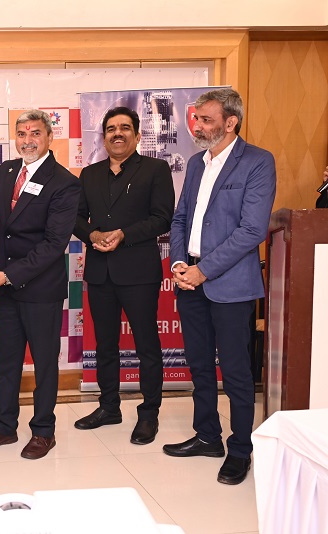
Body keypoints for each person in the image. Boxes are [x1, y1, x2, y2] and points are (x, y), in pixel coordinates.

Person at [0, 109, 81, 460]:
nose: (27, 140)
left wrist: (8, 275)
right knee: (6, 361)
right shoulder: (8, 170)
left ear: (49, 137)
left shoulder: (64, 182)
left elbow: (53, 245)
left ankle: (43, 432)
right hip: (6, 287)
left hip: (39, 288)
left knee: (44, 364)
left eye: (35, 133)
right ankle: (4, 427)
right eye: (21, 134)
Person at [164, 88, 276, 485]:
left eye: (206, 120)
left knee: (236, 372)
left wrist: (204, 271)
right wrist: (180, 263)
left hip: (229, 285)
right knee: (199, 366)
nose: (197, 126)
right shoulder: (197, 163)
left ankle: (240, 450)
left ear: (231, 122)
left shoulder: (258, 162)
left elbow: (252, 230)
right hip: (189, 280)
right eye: (197, 118)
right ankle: (208, 436)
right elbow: (181, 218)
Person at [72, 106, 175, 445]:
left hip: (139, 271)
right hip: (100, 271)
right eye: (111, 129)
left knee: (147, 345)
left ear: (137, 134)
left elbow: (162, 218)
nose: (118, 133)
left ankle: (149, 414)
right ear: (103, 138)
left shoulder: (156, 169)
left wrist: (123, 234)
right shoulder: (89, 174)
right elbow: (76, 218)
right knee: (105, 345)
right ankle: (108, 407)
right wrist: (92, 234)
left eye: (125, 128)